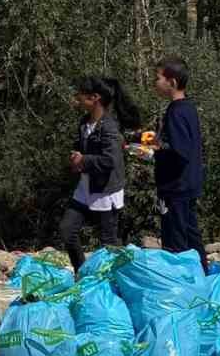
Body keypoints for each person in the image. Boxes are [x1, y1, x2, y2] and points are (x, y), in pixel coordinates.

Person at [60, 77, 141, 270]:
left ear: (94, 98)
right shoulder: (85, 123)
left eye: (81, 94)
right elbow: (81, 149)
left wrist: (84, 160)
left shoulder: (109, 127)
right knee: (67, 230)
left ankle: (115, 282)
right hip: (85, 187)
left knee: (109, 243)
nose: (77, 98)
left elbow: (110, 160)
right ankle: (81, 273)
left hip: (106, 190)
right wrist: (75, 160)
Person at [150, 55, 207, 272]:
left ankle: (182, 282)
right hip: (189, 184)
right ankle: (201, 273)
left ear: (172, 82)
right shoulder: (188, 108)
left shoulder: (175, 112)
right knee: (191, 235)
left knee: (175, 241)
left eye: (158, 78)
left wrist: (153, 151)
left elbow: (179, 151)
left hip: (176, 187)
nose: (155, 83)